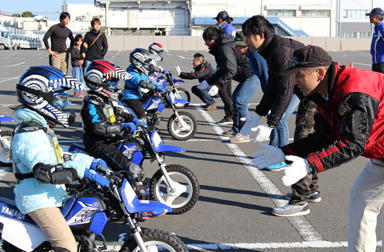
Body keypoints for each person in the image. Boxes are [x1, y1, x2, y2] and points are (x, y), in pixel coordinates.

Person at [253, 44, 384, 251]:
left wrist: (309, 164)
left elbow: (353, 143)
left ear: (320, 73)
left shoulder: (354, 91)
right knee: (361, 199)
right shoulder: (325, 92)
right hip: (381, 154)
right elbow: (324, 137)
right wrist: (284, 152)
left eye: (299, 75)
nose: (295, 81)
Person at [13, 65, 110, 252]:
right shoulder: (29, 132)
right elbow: (45, 170)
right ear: (38, 98)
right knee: (67, 246)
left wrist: (89, 163)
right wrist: (75, 174)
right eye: (61, 98)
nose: (64, 104)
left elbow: (59, 156)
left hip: (49, 195)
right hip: (38, 200)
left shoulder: (41, 128)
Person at [240, 15, 301, 169]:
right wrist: (257, 115)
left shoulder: (280, 51)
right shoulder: (269, 49)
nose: (245, 40)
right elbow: (273, 85)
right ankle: (282, 156)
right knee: (277, 117)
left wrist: (270, 124)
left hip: (312, 88)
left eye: (248, 36)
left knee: (284, 121)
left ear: (261, 36)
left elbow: (285, 90)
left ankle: (286, 160)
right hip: (298, 86)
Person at [202, 26, 254, 126]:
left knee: (239, 101)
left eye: (206, 41)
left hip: (250, 74)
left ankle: (244, 130)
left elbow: (230, 70)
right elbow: (223, 68)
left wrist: (217, 85)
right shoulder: (221, 45)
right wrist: (209, 81)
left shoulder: (224, 47)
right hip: (243, 73)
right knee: (235, 101)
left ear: (213, 40)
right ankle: (236, 129)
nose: (205, 43)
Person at [228, 31, 267, 143]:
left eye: (238, 46)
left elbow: (264, 74)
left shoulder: (254, 54)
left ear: (244, 46)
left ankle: (245, 133)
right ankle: (237, 129)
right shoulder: (247, 53)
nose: (235, 48)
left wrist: (269, 94)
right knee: (236, 98)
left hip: (253, 77)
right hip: (248, 76)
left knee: (241, 100)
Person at [122, 48, 165, 121]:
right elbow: (142, 83)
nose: (148, 63)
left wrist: (158, 86)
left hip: (137, 95)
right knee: (141, 113)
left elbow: (148, 80)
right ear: (138, 61)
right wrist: (153, 87)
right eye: (146, 61)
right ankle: (141, 126)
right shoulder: (132, 72)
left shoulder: (139, 71)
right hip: (131, 97)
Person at [366, 8, 384, 73]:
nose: (369, 17)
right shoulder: (376, 28)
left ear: (378, 17)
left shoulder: (382, 27)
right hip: (376, 62)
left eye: (371, 16)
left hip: (381, 63)